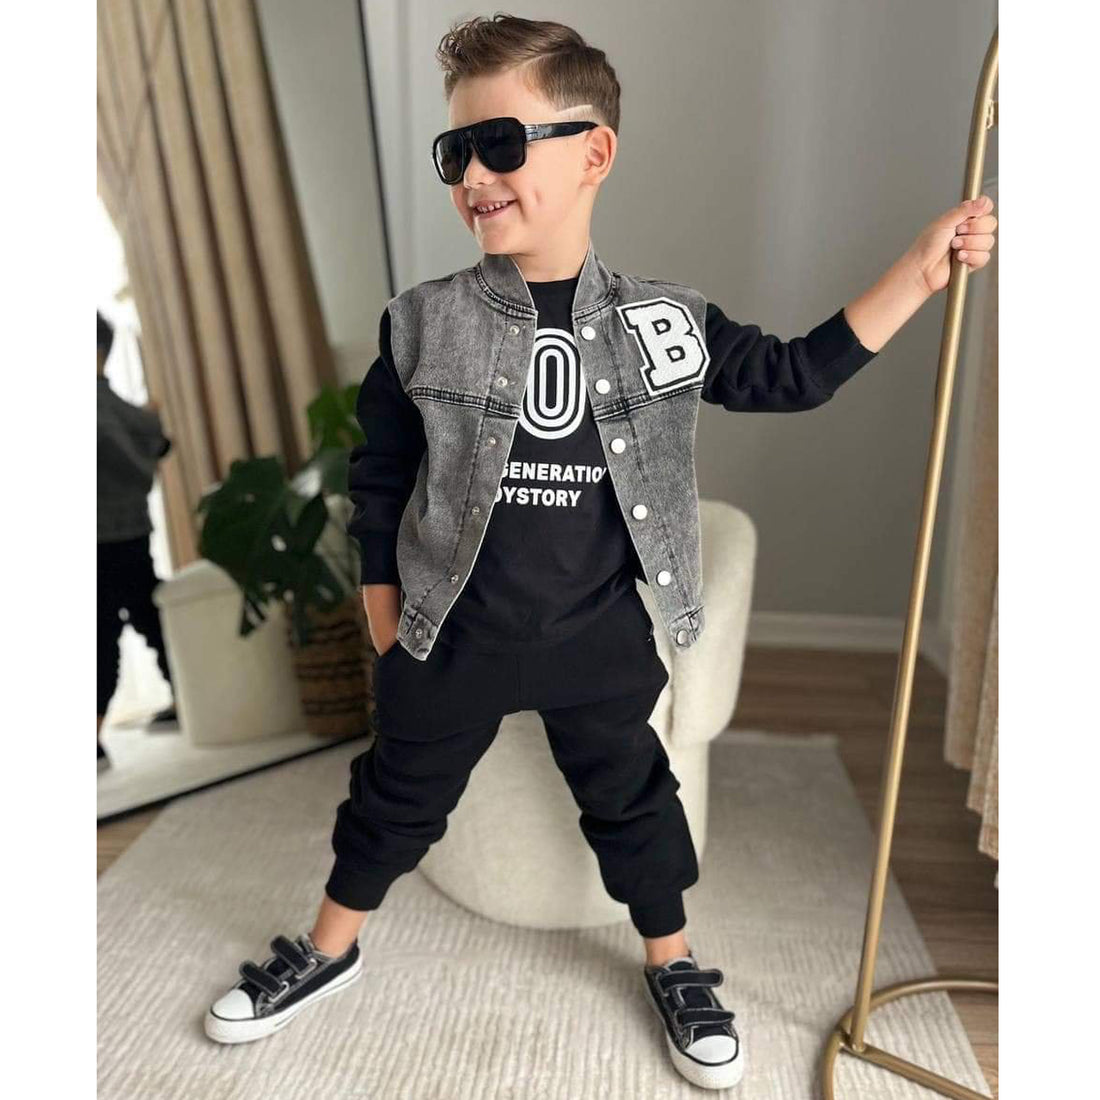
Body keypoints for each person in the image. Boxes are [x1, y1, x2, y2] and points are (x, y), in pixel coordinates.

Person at [203, 14, 996, 1089]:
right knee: (391, 796)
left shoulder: (662, 322)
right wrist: (383, 609)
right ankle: (328, 947)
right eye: (454, 152)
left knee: (633, 802)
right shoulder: (419, 323)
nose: (472, 177)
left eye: (499, 145)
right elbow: (380, 473)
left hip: (595, 635)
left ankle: (673, 961)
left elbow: (794, 374)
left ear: (594, 152)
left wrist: (919, 271)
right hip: (451, 634)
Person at [97, 311, 177, 772]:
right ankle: (183, 695)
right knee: (145, 614)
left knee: (105, 626)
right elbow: (151, 437)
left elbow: (132, 450)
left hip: (107, 534)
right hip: (123, 530)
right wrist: (152, 439)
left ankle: (92, 734)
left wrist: (145, 457)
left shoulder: (96, 401)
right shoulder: (105, 400)